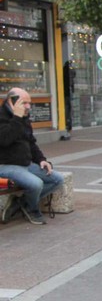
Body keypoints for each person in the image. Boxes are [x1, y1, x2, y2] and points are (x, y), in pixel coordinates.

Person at [0, 88, 64, 225]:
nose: (29, 106)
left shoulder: (23, 117)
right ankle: (32, 209)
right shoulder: (3, 117)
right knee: (36, 184)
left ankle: (21, 202)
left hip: (26, 163)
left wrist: (42, 160)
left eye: (30, 103)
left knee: (57, 179)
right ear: (12, 101)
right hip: (6, 165)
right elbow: (4, 140)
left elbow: (31, 143)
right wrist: (16, 118)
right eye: (25, 103)